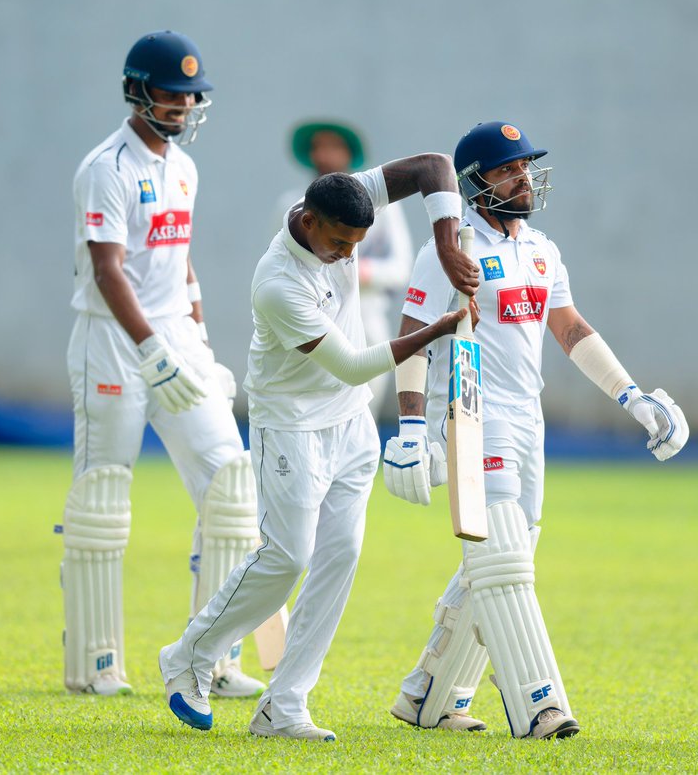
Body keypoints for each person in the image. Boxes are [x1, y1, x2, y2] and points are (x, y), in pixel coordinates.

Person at [381, 121, 690, 740]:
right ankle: (539, 705)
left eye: (526, 166)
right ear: (474, 184)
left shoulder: (542, 248)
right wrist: (411, 426)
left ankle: (429, 695)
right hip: (472, 413)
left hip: (528, 417)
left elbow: (570, 328)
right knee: (502, 561)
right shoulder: (449, 248)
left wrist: (632, 397)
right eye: (508, 168)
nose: (524, 176)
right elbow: (411, 337)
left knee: (503, 560)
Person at [159, 155, 478, 742]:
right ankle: (188, 656)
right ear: (308, 223)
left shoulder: (345, 199)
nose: (348, 255)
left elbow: (434, 166)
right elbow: (355, 366)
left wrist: (447, 243)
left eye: (358, 243)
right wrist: (438, 328)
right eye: (339, 243)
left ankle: (285, 705)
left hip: (351, 426)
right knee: (288, 557)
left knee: (339, 559)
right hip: (292, 427)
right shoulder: (277, 282)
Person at [61, 30, 267, 699]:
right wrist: (149, 347)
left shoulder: (185, 167)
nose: (180, 106)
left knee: (233, 483)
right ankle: (94, 663)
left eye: (188, 95)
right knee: (103, 494)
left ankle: (213, 655)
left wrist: (199, 345)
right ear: (136, 89)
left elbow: (179, 260)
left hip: (175, 337)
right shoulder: (106, 167)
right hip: (113, 341)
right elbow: (107, 268)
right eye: (169, 94)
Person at [286, 120, 415, 419]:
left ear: (348, 154)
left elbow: (400, 268)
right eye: (318, 147)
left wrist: (354, 268)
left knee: (361, 418)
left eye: (333, 147)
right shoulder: (291, 206)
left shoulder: (382, 208)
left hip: (365, 317)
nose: (324, 155)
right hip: (312, 319)